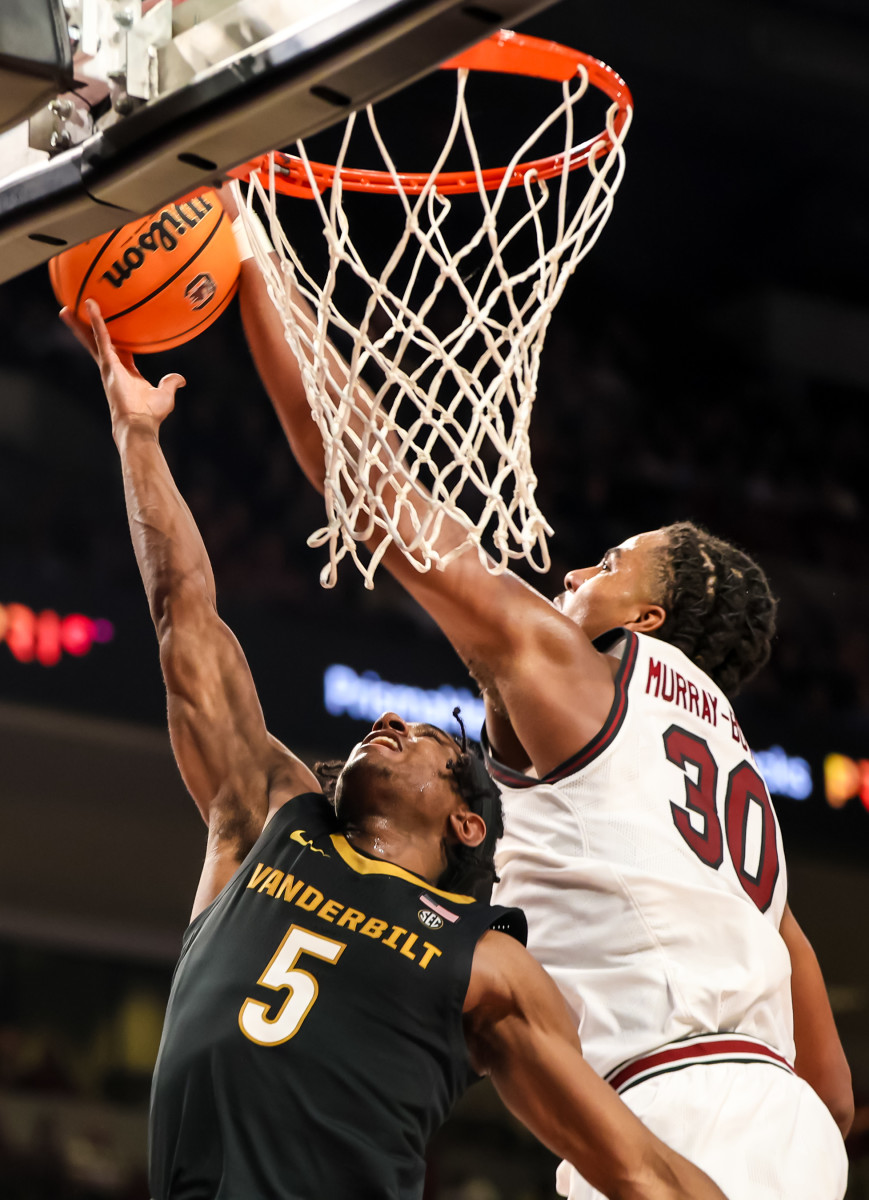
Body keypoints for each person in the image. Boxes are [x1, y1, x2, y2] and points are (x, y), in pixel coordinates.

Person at [223, 190, 853, 1199]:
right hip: (779, 1130)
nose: (573, 574)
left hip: (668, 1117)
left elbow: (371, 483)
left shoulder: (576, 679)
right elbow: (828, 1092)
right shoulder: (740, 818)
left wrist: (254, 258)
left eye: (608, 564)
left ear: (642, 626)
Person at [61, 298, 731, 1200]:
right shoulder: (269, 818)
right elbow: (186, 614)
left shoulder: (488, 962)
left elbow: (637, 1167)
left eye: (422, 738)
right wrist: (137, 439)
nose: (390, 728)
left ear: (465, 820)